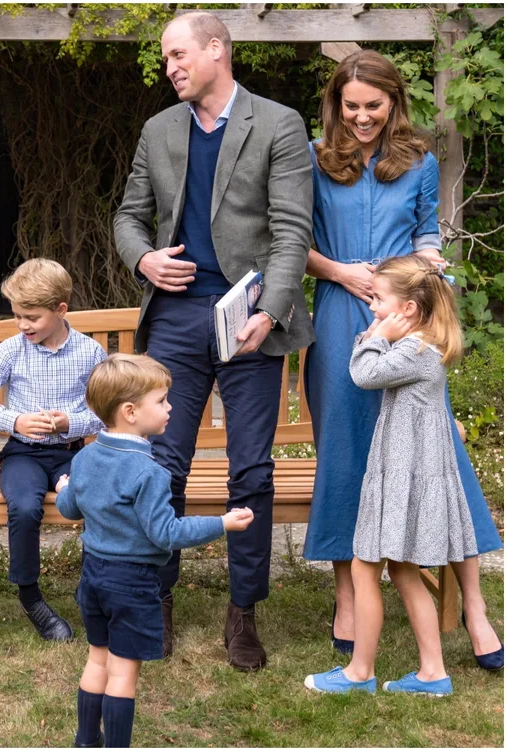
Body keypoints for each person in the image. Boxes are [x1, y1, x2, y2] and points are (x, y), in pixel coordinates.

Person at [113, 11, 313, 669]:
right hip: (174, 319)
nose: (169, 67)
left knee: (250, 470)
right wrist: (143, 259)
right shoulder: (158, 129)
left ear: (216, 51)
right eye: (166, 58)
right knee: (161, 467)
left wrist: (273, 310)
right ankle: (158, 599)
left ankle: (243, 611)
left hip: (249, 318)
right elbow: (127, 216)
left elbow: (290, 232)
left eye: (177, 55)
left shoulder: (278, 124)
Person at [302, 49, 503, 669]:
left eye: (374, 106)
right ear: (336, 103)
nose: (362, 118)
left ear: (394, 103)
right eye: (351, 106)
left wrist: (424, 263)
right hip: (340, 315)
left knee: (437, 452)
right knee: (345, 450)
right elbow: (295, 242)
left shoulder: (417, 160)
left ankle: (474, 607)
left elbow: (427, 232)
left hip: (407, 317)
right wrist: (345, 273)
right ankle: (347, 596)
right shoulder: (312, 159)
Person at [55, 353, 255, 747]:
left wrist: (64, 488)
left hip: (92, 575)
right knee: (123, 672)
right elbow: (166, 533)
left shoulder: (86, 457)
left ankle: (84, 741)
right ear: (130, 412)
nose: (170, 408)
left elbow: (70, 509)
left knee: (97, 658)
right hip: (132, 583)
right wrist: (223, 524)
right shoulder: (150, 473)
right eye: (162, 401)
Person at [306, 255, 482, 696]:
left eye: (379, 300)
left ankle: (359, 673)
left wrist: (375, 336)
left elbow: (363, 374)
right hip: (403, 474)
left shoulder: (415, 350)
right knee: (402, 572)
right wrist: (380, 333)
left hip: (405, 479)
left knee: (366, 569)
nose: (373, 308)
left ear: (408, 309)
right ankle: (432, 673)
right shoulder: (422, 346)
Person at [0, 258, 106, 641]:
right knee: (26, 506)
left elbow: (103, 411)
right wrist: (14, 421)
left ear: (60, 310)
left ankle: (91, 590)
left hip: (72, 453)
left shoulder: (89, 353)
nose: (22, 325)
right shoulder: (12, 350)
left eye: (31, 317)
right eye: (17, 316)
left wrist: (71, 422)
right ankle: (31, 597)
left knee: (95, 499)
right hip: (23, 455)